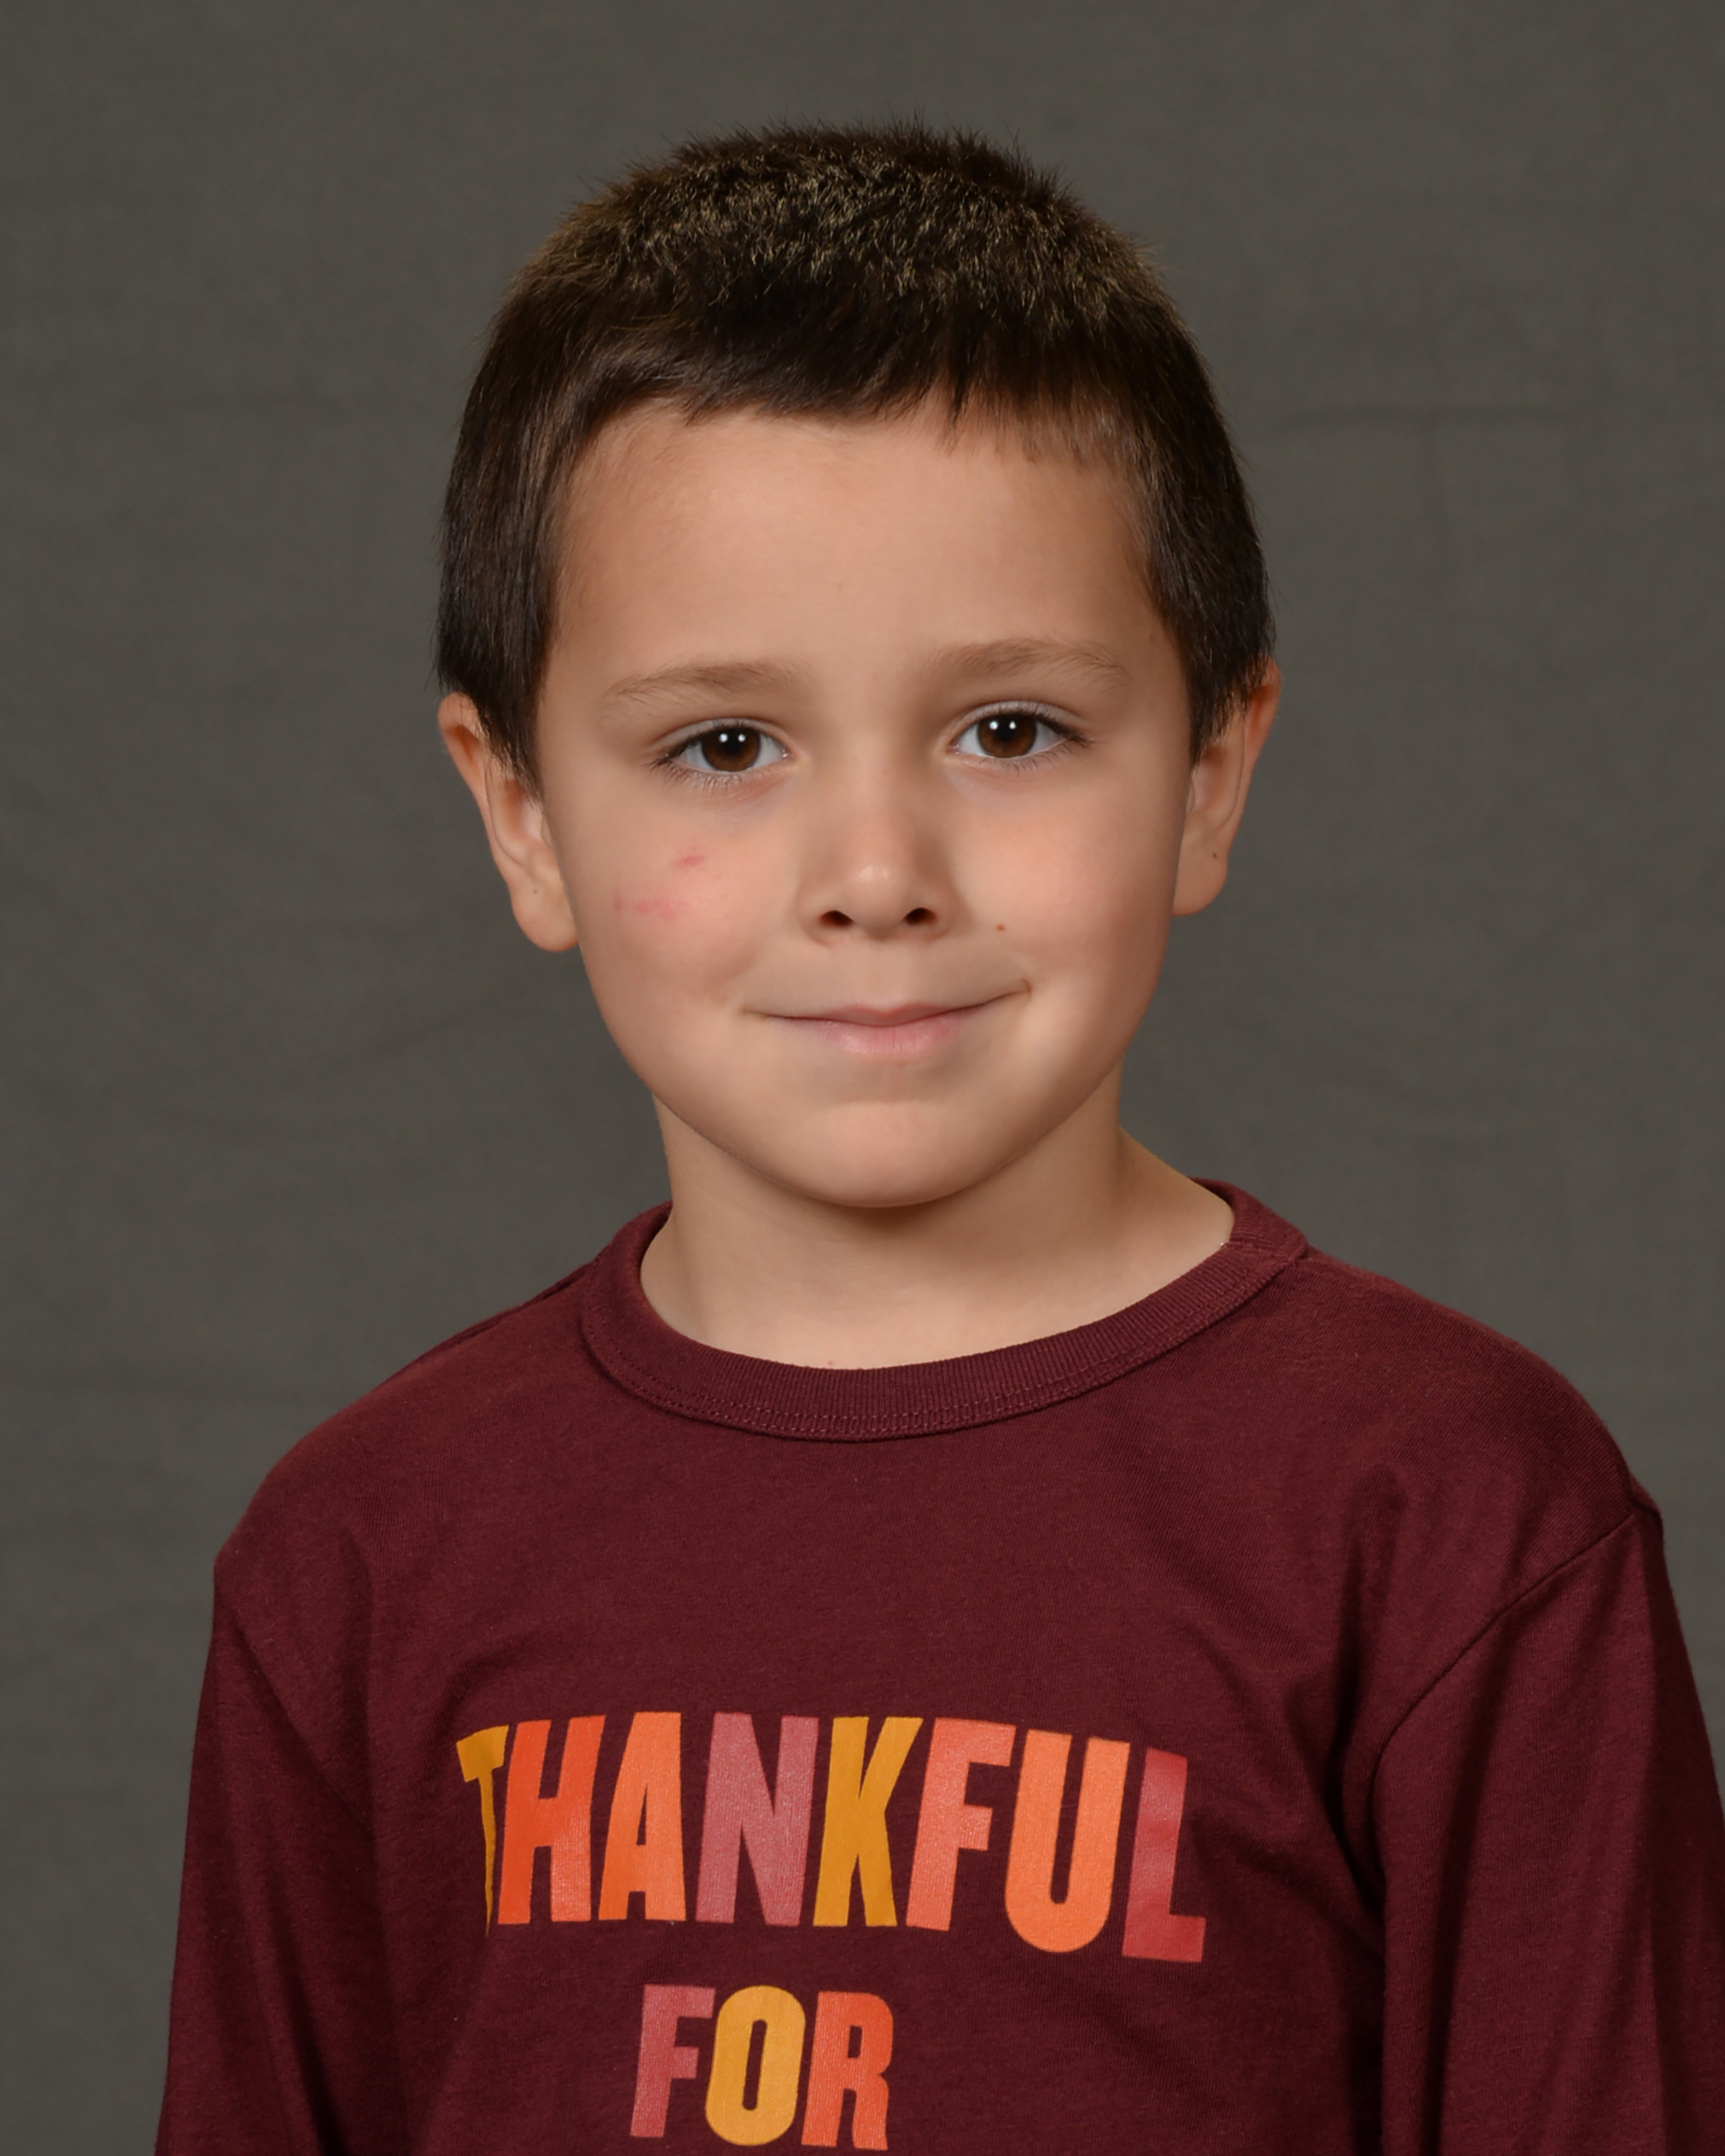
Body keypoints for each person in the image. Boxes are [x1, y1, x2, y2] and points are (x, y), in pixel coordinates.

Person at [156, 124, 1725, 2154]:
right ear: (520, 811)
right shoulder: (361, 1555)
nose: (878, 872)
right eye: (726, 744)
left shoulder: (1456, 1520)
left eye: (1010, 730)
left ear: (1212, 772)